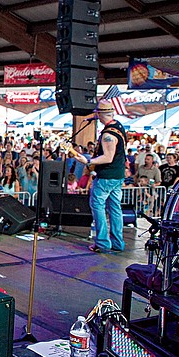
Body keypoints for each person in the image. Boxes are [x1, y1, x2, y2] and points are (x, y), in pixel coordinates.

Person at [72, 99, 127, 253]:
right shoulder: (119, 127)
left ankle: (102, 242)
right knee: (115, 208)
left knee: (98, 206)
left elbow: (108, 157)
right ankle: (118, 243)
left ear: (100, 114)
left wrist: (88, 160)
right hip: (118, 175)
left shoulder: (108, 134)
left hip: (106, 176)